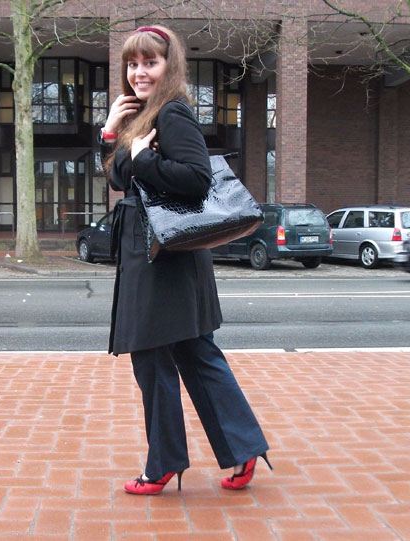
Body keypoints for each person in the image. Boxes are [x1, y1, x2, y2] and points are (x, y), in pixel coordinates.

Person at [99, 24, 272, 495]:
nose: (139, 73)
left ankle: (165, 463)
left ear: (169, 65)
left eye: (149, 63)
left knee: (156, 358)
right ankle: (240, 449)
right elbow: (119, 179)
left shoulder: (172, 113)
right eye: (132, 64)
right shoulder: (141, 115)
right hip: (156, 254)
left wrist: (144, 160)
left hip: (164, 257)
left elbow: (198, 179)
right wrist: (111, 132)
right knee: (193, 353)